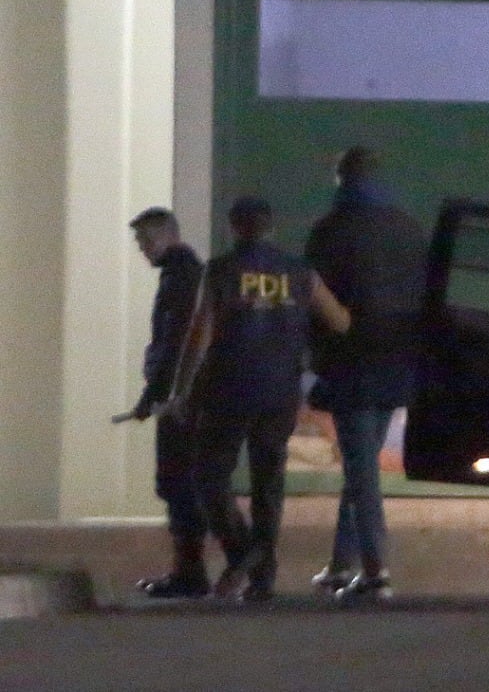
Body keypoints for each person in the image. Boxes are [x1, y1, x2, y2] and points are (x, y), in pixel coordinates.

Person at [171, 196, 350, 601]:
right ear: (271, 229)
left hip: (227, 391)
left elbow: (199, 336)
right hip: (280, 391)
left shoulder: (220, 271)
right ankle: (262, 574)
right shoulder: (300, 272)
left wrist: (181, 390)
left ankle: (245, 552)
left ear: (234, 228)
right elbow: (339, 320)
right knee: (268, 481)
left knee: (210, 478)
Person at [305, 146, 429, 601]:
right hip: (398, 362)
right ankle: (342, 564)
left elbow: (315, 300)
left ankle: (375, 570)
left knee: (361, 471)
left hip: (350, 363)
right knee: (360, 466)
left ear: (342, 178)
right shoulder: (408, 230)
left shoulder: (330, 231)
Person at [127, 207, 207, 598]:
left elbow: (173, 342)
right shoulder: (187, 274)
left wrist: (153, 395)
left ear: (163, 237)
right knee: (183, 484)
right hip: (184, 397)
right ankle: (191, 571)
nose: (141, 249)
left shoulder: (179, 279)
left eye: (144, 240)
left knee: (178, 483)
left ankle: (189, 574)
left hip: (177, 401)